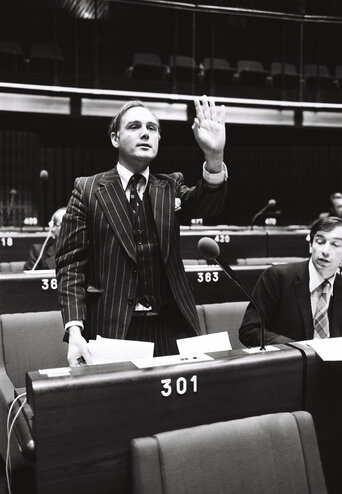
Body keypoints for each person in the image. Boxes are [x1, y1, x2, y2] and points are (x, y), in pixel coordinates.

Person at [56, 96, 228, 366]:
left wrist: (214, 157)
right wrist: (74, 329)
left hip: (169, 327)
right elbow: (70, 265)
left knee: (175, 408)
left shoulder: (170, 186)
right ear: (115, 138)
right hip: (112, 329)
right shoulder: (87, 190)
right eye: (134, 126)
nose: (145, 133)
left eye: (152, 128)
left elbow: (209, 203)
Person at [239, 216, 342, 347]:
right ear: (311, 245)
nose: (325, 251)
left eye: (336, 244)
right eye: (320, 241)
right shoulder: (277, 277)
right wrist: (298, 349)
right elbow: (250, 331)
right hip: (289, 363)